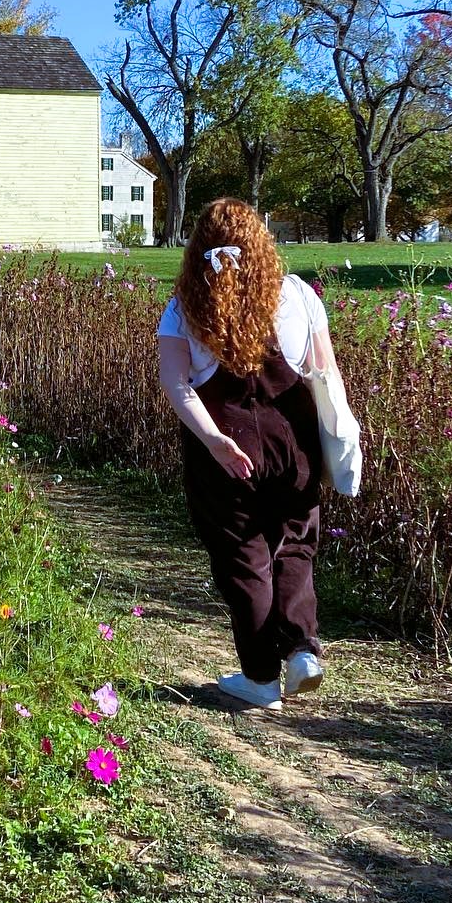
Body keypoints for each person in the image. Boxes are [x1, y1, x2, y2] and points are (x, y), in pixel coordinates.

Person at [156, 198, 344, 712]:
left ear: (198, 249)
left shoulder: (184, 307)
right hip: (294, 442)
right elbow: (324, 374)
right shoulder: (299, 295)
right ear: (262, 243)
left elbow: (176, 384)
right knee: (296, 544)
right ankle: (302, 649)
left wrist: (215, 441)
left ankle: (260, 678)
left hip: (224, 449)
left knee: (244, 557)